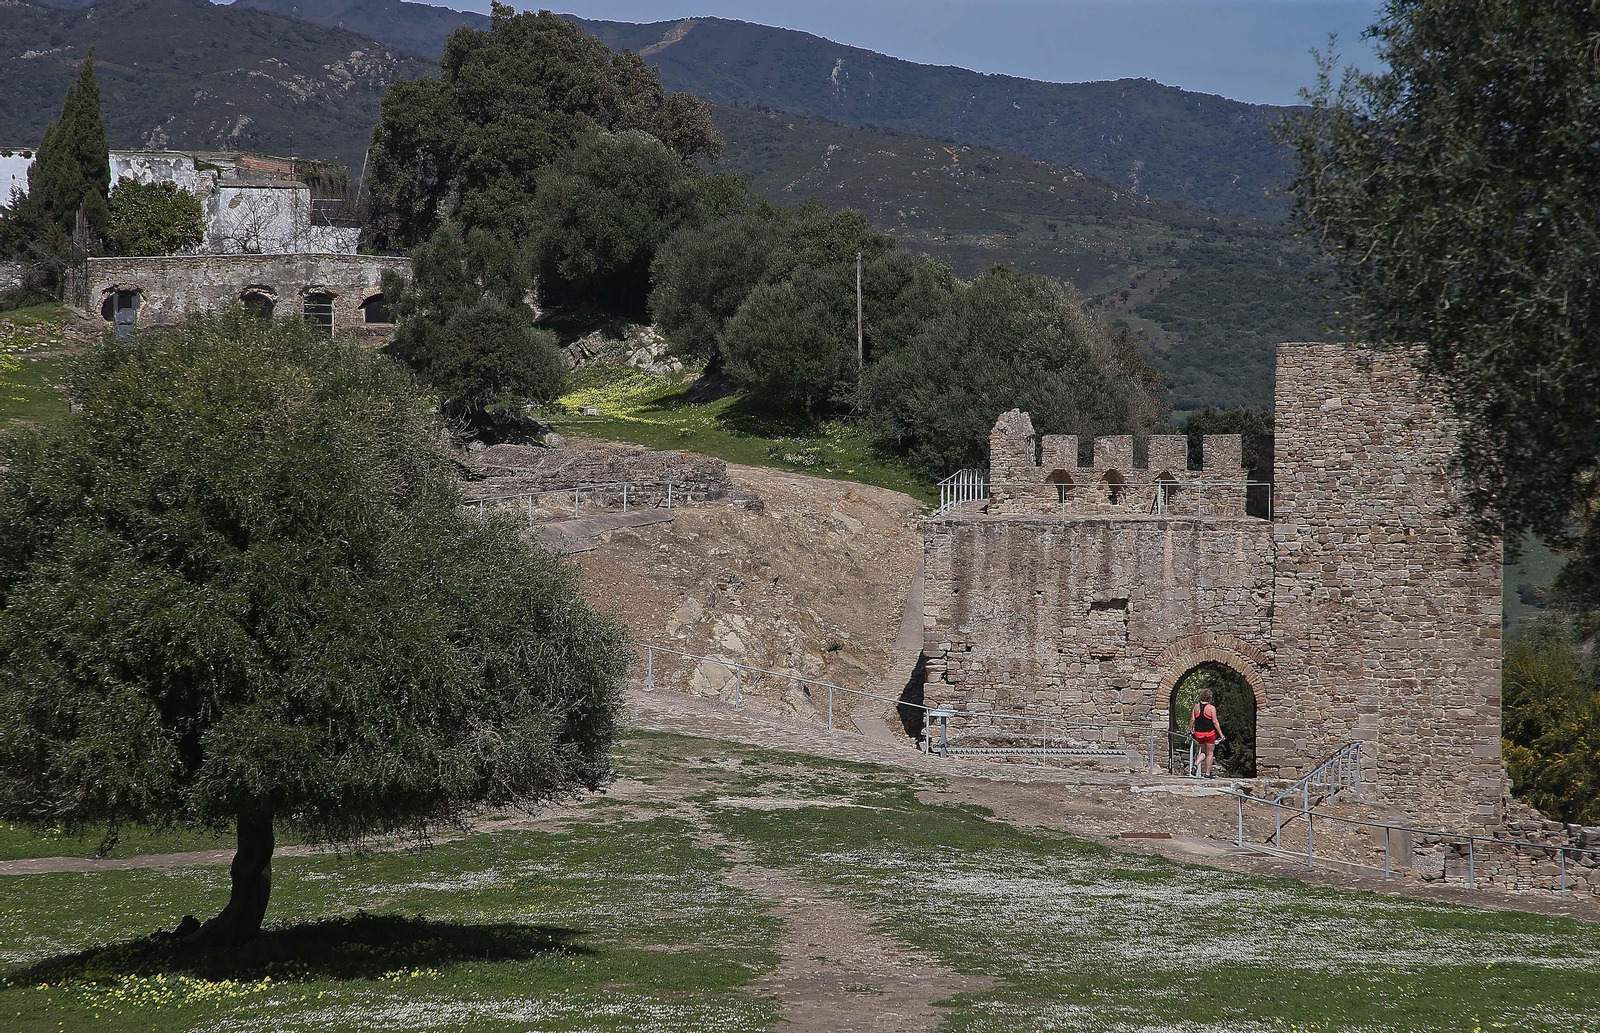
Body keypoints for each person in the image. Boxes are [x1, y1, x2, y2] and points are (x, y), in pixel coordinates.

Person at [1190, 688, 1225, 779]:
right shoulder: (1211, 708)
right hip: (1209, 733)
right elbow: (1215, 722)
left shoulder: (1196, 707)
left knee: (1204, 751)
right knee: (1210, 753)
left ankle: (1195, 764)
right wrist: (1221, 734)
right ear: (1210, 698)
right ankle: (1207, 773)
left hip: (1198, 733)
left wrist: (1191, 730)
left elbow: (1192, 720)